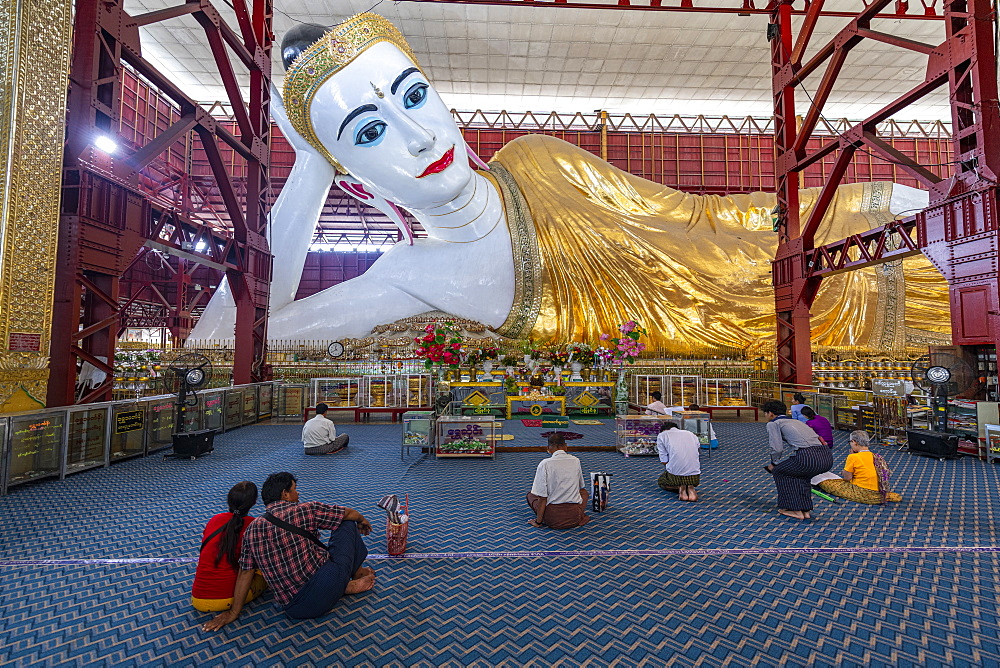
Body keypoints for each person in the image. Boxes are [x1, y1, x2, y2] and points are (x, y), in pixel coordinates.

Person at [188, 13, 951, 355]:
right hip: (770, 326)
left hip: (762, 255)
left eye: (415, 96)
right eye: (370, 132)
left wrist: (778, 220)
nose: (420, 136)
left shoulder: (535, 156)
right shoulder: (411, 276)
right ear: (353, 172)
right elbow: (223, 341)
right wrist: (312, 164)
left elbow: (684, 213)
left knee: (878, 210)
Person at [202, 472, 375, 630]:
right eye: (294, 489)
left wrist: (233, 613)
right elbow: (348, 513)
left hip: (294, 609)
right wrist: (362, 520)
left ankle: (344, 585)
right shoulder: (305, 510)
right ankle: (355, 575)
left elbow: (244, 573)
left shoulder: (252, 529)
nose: (298, 494)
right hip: (324, 589)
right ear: (284, 494)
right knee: (345, 523)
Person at [191, 481, 267, 612]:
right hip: (227, 599)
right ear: (254, 502)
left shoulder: (215, 519)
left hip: (197, 598)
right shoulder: (254, 525)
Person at [762, 400, 834, 521]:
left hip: (809, 457)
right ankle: (805, 509)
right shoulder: (796, 421)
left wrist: (774, 463)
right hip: (826, 456)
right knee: (800, 474)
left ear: (770, 413)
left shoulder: (773, 424)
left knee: (780, 471)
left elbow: (777, 448)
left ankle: (794, 509)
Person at [814, 430, 902, 504]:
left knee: (826, 483)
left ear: (854, 442)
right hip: (878, 490)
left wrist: (845, 468)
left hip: (862, 491)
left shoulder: (853, 457)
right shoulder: (876, 456)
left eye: (850, 442)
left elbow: (847, 478)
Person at [527, 433, 590, 530]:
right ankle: (580, 515)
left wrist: (538, 521)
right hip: (574, 517)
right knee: (584, 493)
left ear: (548, 448)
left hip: (552, 518)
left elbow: (542, 497)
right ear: (566, 447)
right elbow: (580, 486)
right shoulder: (576, 461)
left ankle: (542, 518)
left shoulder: (544, 464)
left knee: (531, 495)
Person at [656, 421, 702, 502]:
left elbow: (664, 461)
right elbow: (697, 448)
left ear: (663, 430)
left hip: (676, 475)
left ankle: (681, 488)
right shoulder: (690, 434)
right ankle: (690, 488)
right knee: (687, 473)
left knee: (662, 482)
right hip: (695, 475)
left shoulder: (662, 435)